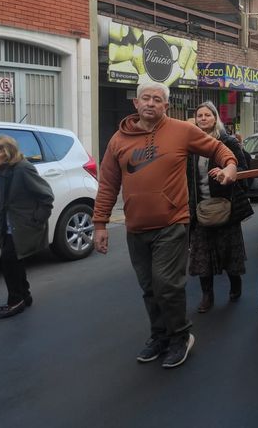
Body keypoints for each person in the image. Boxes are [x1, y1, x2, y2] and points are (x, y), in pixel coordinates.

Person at [93, 82, 238, 369]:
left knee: (167, 285)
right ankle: (159, 336)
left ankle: (180, 337)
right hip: (136, 227)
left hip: (172, 222)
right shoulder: (118, 141)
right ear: (136, 103)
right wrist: (100, 224)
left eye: (157, 100)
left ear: (166, 106)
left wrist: (230, 166)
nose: (150, 103)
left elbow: (218, 148)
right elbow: (108, 184)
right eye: (145, 98)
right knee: (149, 287)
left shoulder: (181, 131)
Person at [187, 101, 252, 313]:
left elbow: (242, 169)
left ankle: (235, 284)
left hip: (225, 207)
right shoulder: (190, 144)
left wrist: (227, 174)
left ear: (215, 118)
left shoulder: (227, 141)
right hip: (199, 208)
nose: (203, 118)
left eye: (207, 115)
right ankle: (207, 296)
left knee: (228, 252)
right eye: (200, 115)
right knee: (202, 255)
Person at [0, 135, 54, 319]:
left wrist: (37, 220)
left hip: (22, 225)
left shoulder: (23, 169)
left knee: (9, 263)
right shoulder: (1, 170)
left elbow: (46, 197)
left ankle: (15, 301)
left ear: (8, 152)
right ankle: (25, 295)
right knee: (14, 261)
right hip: (7, 224)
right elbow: (6, 197)